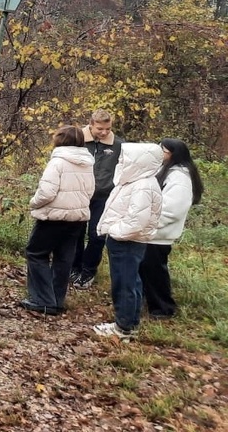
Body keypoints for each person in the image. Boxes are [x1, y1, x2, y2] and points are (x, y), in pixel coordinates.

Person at [92, 142, 163, 340]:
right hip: (127, 240)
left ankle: (123, 327)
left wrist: (114, 231)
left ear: (139, 161)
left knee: (125, 283)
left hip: (127, 241)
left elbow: (137, 221)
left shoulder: (142, 186)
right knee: (130, 282)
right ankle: (129, 323)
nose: (121, 161)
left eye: (125, 158)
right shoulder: (135, 181)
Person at [21, 125, 94, 316]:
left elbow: (46, 192)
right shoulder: (88, 163)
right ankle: (57, 300)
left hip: (54, 217)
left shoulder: (58, 162)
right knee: (64, 258)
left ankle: (42, 299)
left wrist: (33, 203)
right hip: (77, 219)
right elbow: (91, 190)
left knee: (36, 253)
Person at [139, 138, 204, 319]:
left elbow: (171, 210)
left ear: (174, 154)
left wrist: (149, 224)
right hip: (151, 232)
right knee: (146, 269)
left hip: (159, 233)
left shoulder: (180, 178)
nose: (161, 154)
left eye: (164, 151)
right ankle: (150, 302)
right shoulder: (165, 170)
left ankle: (163, 308)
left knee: (155, 273)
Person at [71, 109, 124, 289]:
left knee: (97, 235)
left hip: (103, 196)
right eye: (100, 128)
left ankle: (88, 270)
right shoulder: (78, 140)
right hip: (79, 194)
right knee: (75, 233)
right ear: (91, 125)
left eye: (107, 129)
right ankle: (74, 267)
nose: (104, 132)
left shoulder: (118, 145)